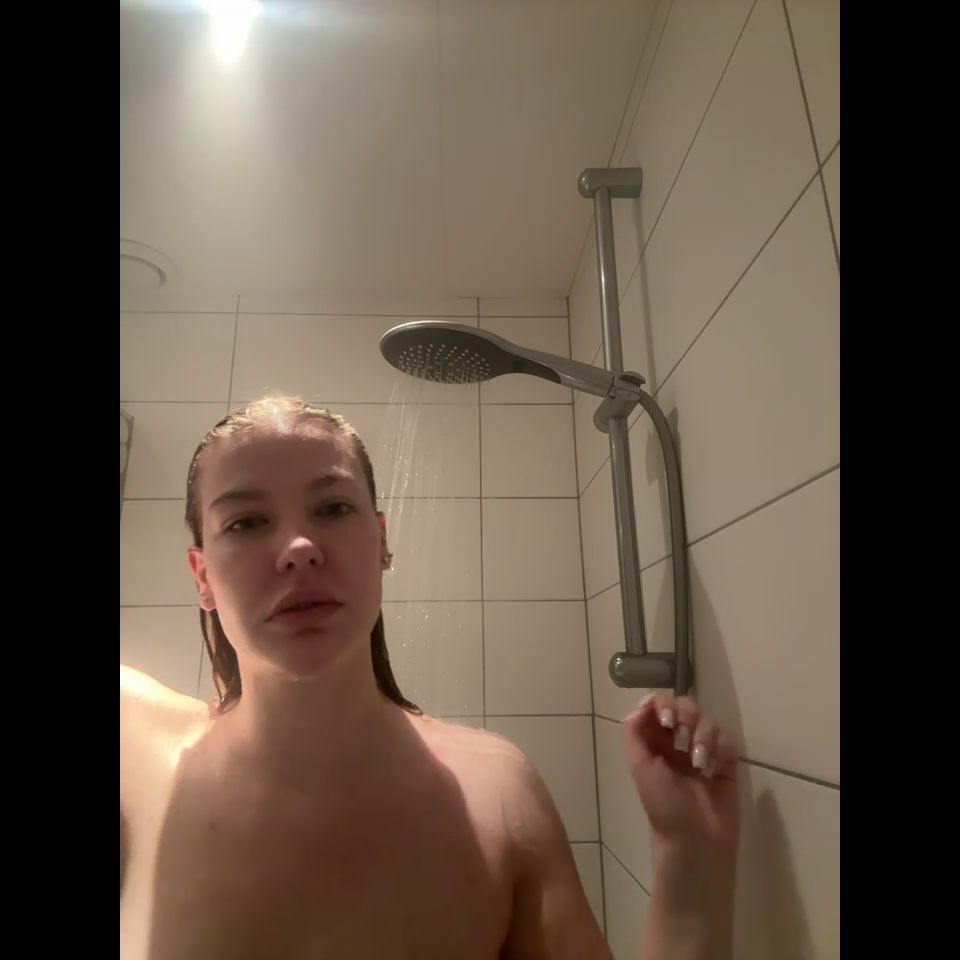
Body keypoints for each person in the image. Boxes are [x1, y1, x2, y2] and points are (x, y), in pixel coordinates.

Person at [120, 395, 739, 959]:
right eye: (246, 522)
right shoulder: (137, 748)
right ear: (202, 575)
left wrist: (690, 862)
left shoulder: (497, 795)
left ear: (381, 543)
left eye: (333, 508)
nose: (300, 546)